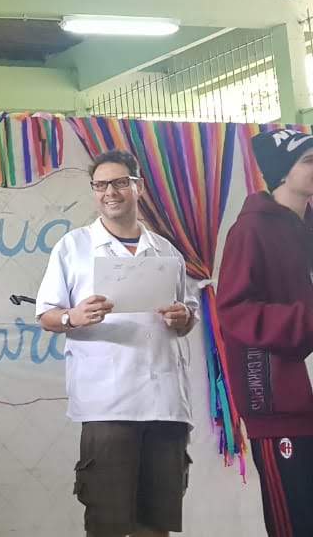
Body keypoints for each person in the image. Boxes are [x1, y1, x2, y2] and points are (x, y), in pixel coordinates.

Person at [35, 150, 197, 537]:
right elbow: (46, 315)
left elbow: (188, 315)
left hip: (165, 403)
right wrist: (73, 317)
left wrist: (183, 318)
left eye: (120, 183)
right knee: (106, 522)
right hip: (107, 404)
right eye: (101, 185)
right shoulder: (73, 247)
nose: (110, 192)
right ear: (94, 191)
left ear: (138, 187)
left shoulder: (166, 250)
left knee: (156, 522)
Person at [218, 129, 313, 537]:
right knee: (295, 521)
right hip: (281, 407)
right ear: (281, 173)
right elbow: (234, 311)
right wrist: (305, 320)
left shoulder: (306, 227)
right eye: (308, 161)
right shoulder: (250, 231)